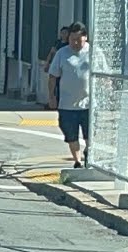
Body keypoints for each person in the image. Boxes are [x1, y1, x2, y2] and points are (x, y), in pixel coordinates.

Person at [48, 22, 90, 168]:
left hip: (88, 104)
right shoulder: (62, 53)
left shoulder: (93, 53)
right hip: (67, 104)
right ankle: (77, 161)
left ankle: (89, 154)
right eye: (72, 39)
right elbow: (53, 76)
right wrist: (52, 97)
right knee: (71, 135)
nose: (75, 43)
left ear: (85, 38)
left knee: (89, 135)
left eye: (78, 39)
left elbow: (104, 75)